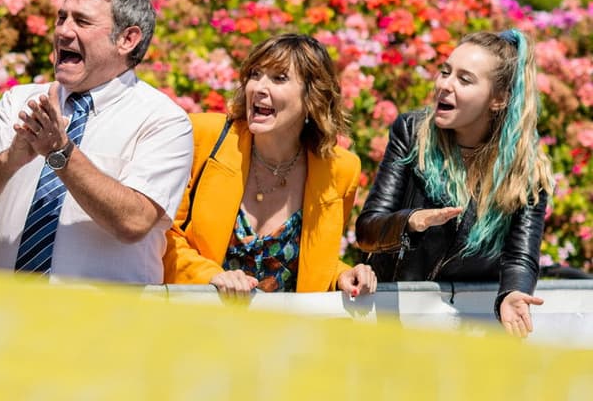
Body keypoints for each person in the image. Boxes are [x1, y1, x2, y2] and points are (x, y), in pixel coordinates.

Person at [0, 0, 194, 283]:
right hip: (5, 318)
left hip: (99, 327)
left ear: (127, 39)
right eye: (62, 17)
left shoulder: (163, 120)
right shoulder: (18, 102)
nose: (63, 31)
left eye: (82, 21)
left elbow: (134, 222)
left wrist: (61, 153)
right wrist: (10, 160)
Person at [356, 30, 554, 338]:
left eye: (465, 79)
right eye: (446, 72)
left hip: (465, 329)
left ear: (498, 99)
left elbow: (519, 256)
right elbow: (366, 230)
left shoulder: (526, 169)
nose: (444, 85)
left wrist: (513, 292)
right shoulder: (411, 133)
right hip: (393, 319)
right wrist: (409, 222)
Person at [165, 34, 376, 297]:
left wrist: (342, 275)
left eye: (279, 78)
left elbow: (317, 260)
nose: (259, 87)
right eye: (255, 74)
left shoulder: (341, 170)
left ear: (312, 96)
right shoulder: (203, 136)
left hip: (282, 335)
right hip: (194, 326)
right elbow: (162, 235)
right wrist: (210, 277)